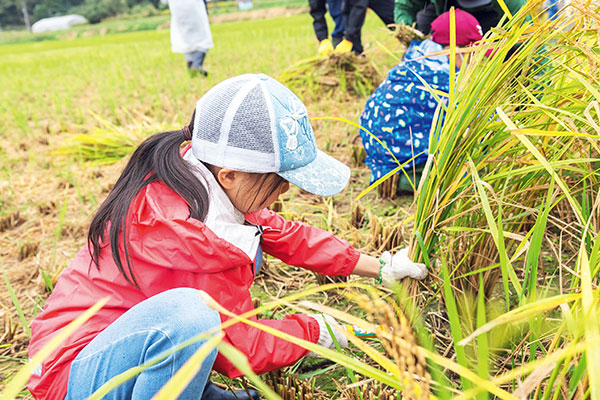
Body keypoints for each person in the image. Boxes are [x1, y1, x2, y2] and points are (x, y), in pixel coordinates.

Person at [28, 74, 428, 400]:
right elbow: (238, 346)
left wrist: (381, 267)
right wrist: (318, 330)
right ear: (231, 174)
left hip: (126, 351)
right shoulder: (187, 237)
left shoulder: (196, 181)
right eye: (278, 180)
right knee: (191, 316)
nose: (285, 191)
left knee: (189, 325)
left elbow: (286, 234)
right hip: (77, 377)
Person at [359, 10, 482, 193]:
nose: (473, 61)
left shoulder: (416, 58)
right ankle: (405, 181)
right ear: (454, 49)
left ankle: (397, 178)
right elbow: (478, 120)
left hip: (380, 151)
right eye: (471, 53)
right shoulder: (442, 78)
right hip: (400, 157)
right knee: (472, 165)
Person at [394, 0, 526, 35]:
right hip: (443, 7)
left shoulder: (513, 2)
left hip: (491, 12)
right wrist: (407, 33)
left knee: (510, 53)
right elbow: (405, 6)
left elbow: (529, 33)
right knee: (423, 31)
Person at [168, 0, 213, 76]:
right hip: (192, 6)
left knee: (186, 38)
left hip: (176, 8)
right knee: (203, 39)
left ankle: (190, 64)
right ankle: (196, 65)